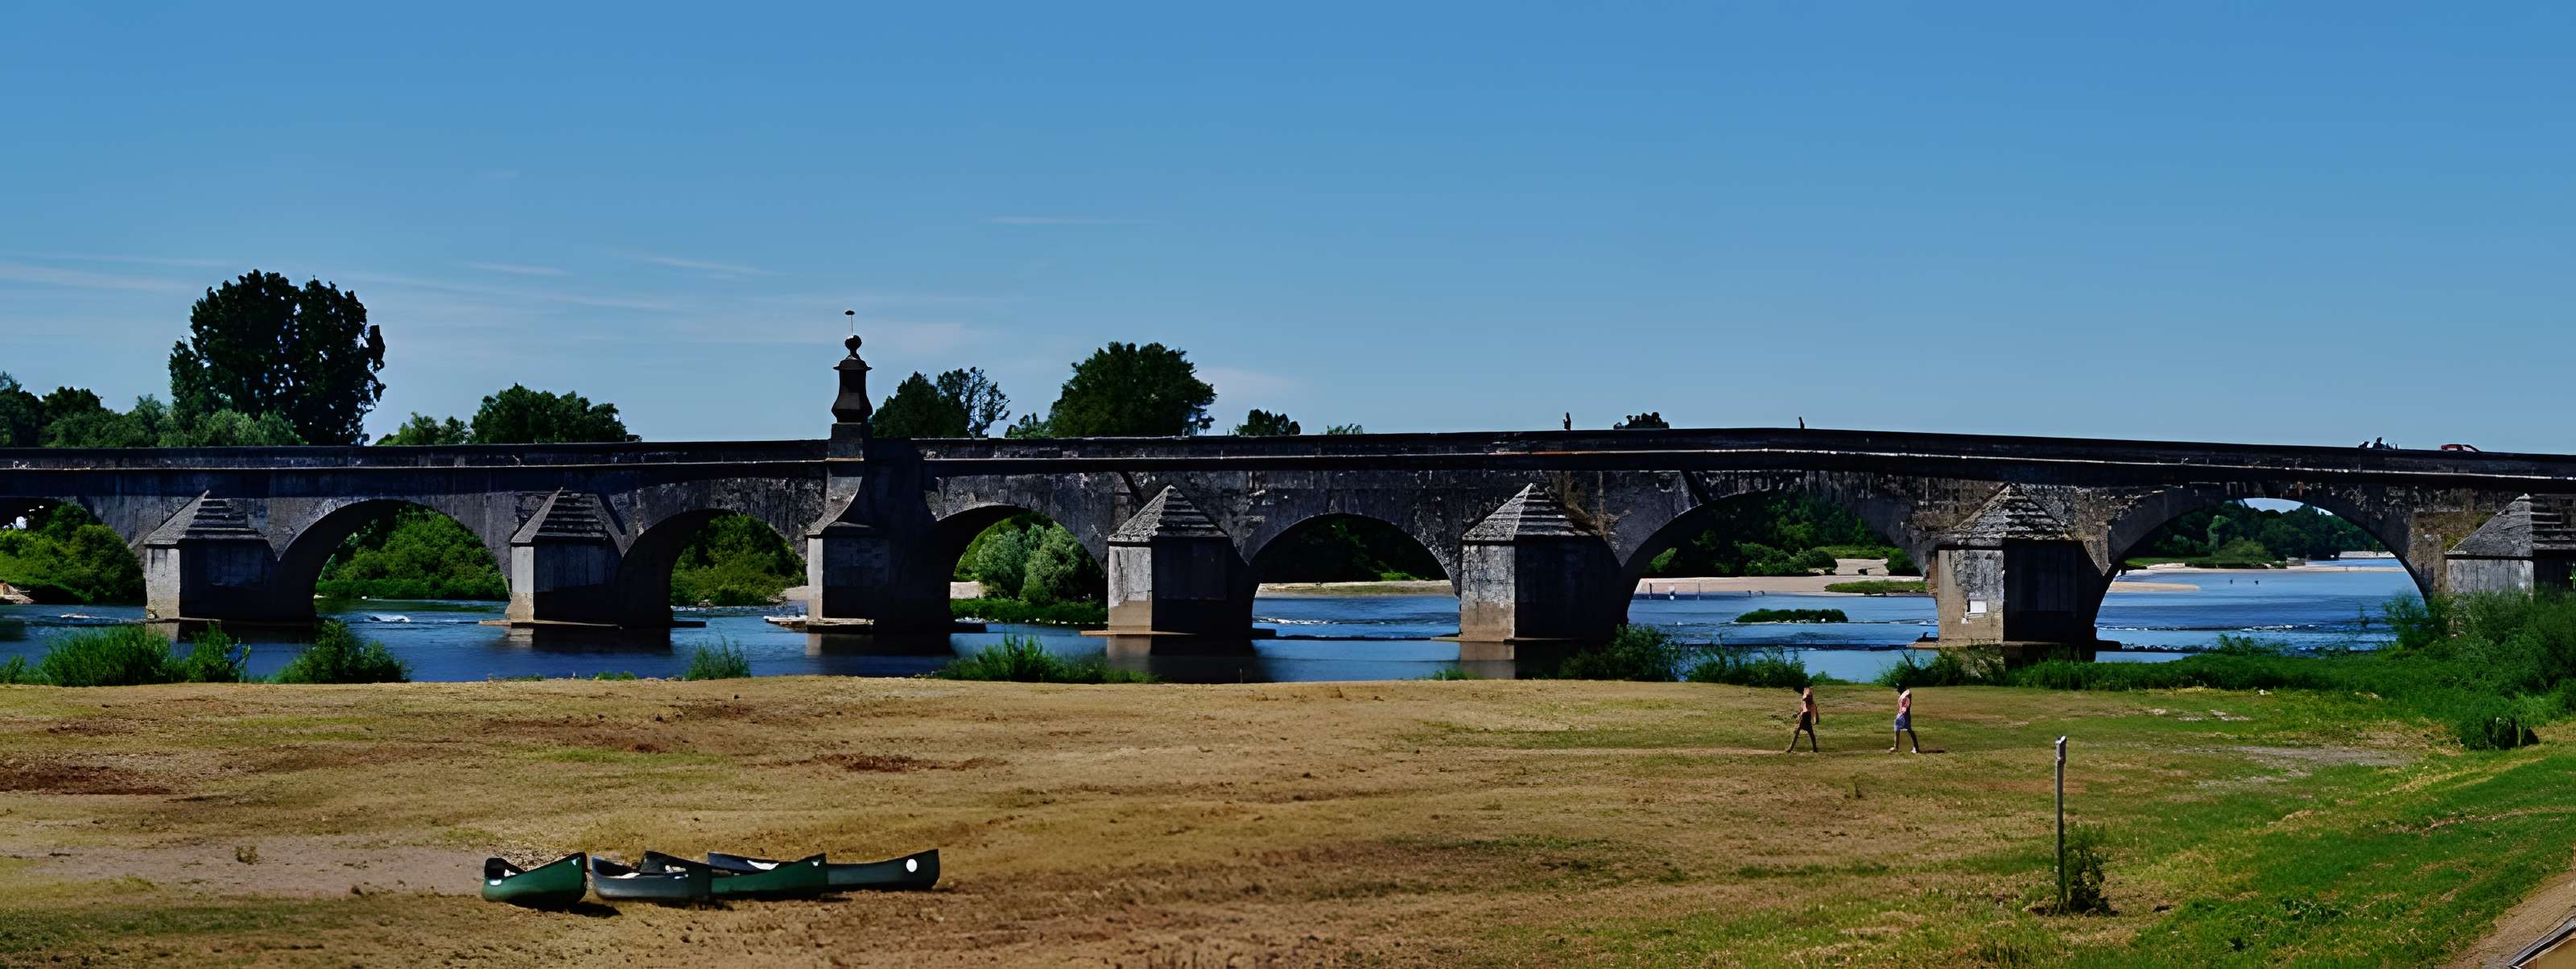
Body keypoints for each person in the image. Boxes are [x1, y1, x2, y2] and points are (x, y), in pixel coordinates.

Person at [1785, 686, 1820, 753]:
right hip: (1803, 719)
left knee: (1809, 735)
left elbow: (1815, 713)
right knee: (1799, 735)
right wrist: (1797, 714)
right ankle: (1790, 748)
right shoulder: (1806, 703)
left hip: (1806, 720)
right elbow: (1802, 710)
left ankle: (1790, 749)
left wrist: (1816, 720)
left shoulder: (1812, 704)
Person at [1889, 687, 1921, 754]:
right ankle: (1896, 747)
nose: (1896, 689)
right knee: (1897, 730)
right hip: (1900, 714)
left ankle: (1916, 748)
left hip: (1905, 715)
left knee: (1909, 730)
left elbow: (1907, 704)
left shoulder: (1907, 694)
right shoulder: (1902, 694)